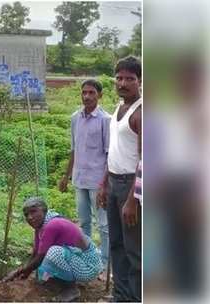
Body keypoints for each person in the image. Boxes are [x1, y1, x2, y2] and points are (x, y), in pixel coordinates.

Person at [97, 56, 142, 302]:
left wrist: (133, 200)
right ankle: (121, 296)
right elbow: (114, 151)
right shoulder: (119, 107)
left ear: (140, 81)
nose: (123, 83)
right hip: (114, 182)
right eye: (119, 78)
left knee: (134, 251)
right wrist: (104, 184)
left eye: (130, 79)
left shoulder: (141, 112)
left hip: (131, 186)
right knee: (116, 244)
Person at [2, 197, 102, 302]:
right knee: (41, 273)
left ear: (44, 210)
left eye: (33, 211)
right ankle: (62, 283)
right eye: (26, 215)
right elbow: (35, 253)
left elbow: (40, 257)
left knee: (53, 253)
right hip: (76, 260)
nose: (30, 217)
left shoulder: (53, 225)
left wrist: (18, 272)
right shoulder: (40, 227)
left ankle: (71, 289)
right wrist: (26, 273)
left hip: (89, 266)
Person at [58, 79, 110, 279]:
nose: (87, 96)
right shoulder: (75, 118)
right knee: (84, 221)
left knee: (104, 225)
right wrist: (66, 175)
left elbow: (108, 155)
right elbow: (74, 149)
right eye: (84, 92)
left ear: (100, 96)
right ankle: (90, 259)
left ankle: (105, 264)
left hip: (98, 181)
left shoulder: (106, 120)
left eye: (91, 93)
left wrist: (104, 184)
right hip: (79, 179)